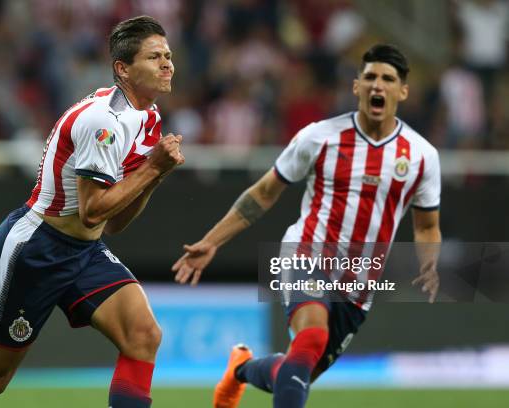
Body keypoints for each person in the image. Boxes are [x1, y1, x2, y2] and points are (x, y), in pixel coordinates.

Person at [0, 15, 183, 408]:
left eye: (167, 55)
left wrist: (155, 176)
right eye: (154, 57)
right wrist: (153, 168)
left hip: (85, 252)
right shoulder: (106, 121)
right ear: (123, 68)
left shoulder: (147, 120)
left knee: (143, 336)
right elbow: (92, 211)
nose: (168, 63)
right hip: (36, 248)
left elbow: (115, 222)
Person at [172, 44, 441, 408]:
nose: (378, 85)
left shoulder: (422, 155)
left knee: (295, 375)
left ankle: (241, 369)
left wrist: (429, 263)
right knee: (311, 340)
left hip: (359, 284)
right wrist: (212, 241)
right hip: (306, 254)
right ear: (357, 86)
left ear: (402, 90)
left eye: (388, 79)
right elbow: (265, 192)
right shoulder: (319, 137)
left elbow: (426, 226)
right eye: (371, 77)